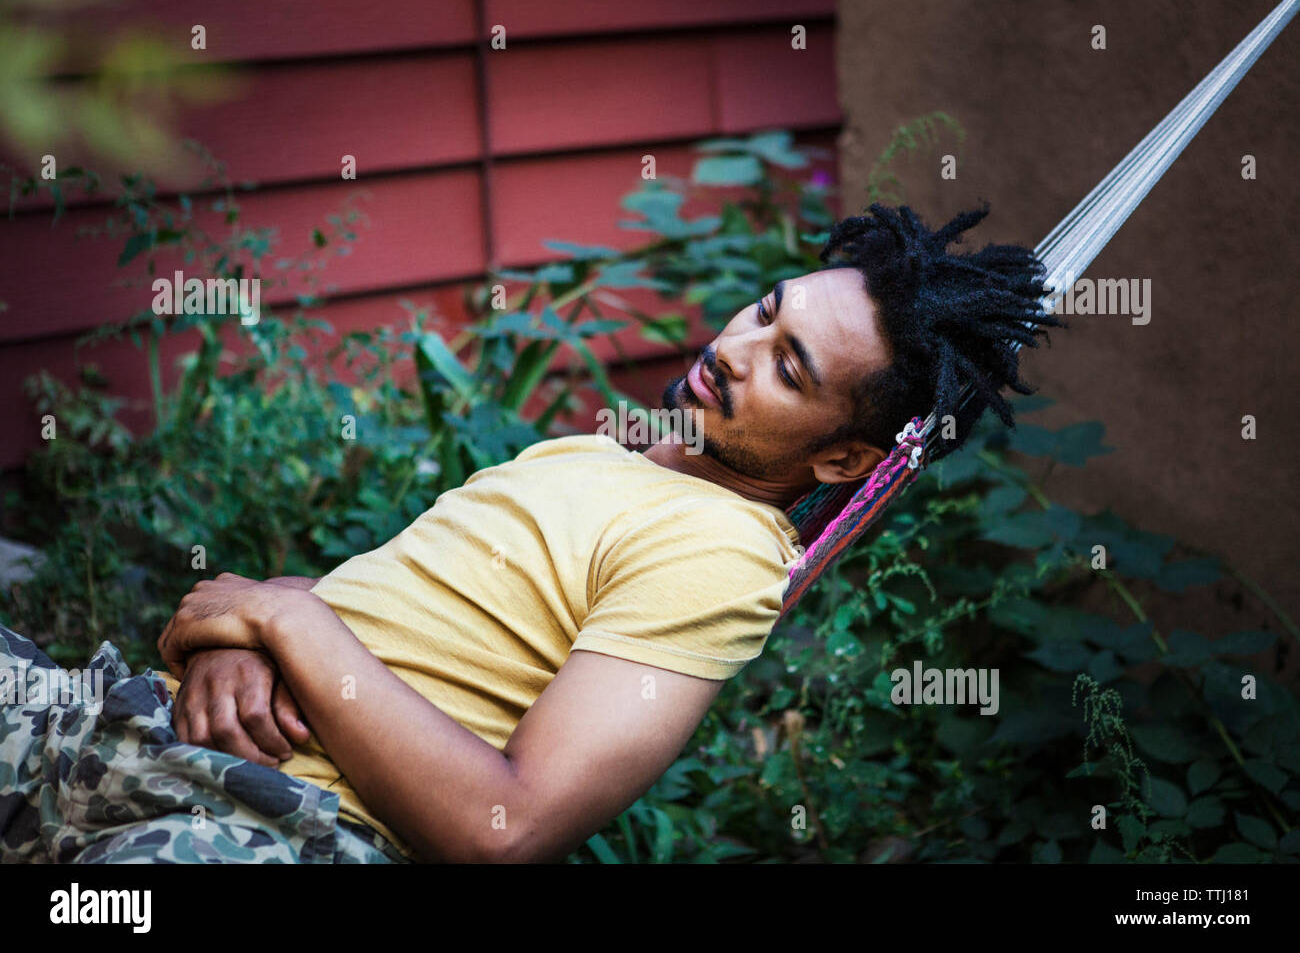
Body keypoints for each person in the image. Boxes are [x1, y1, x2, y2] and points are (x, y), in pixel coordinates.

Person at [0, 203, 1058, 863]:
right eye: (764, 311)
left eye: (789, 368)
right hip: (130, 731)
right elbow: (355, 613)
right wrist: (242, 632)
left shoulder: (722, 553)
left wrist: (281, 615)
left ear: (842, 461)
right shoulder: (596, 458)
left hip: (279, 829)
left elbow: (503, 830)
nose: (737, 345)